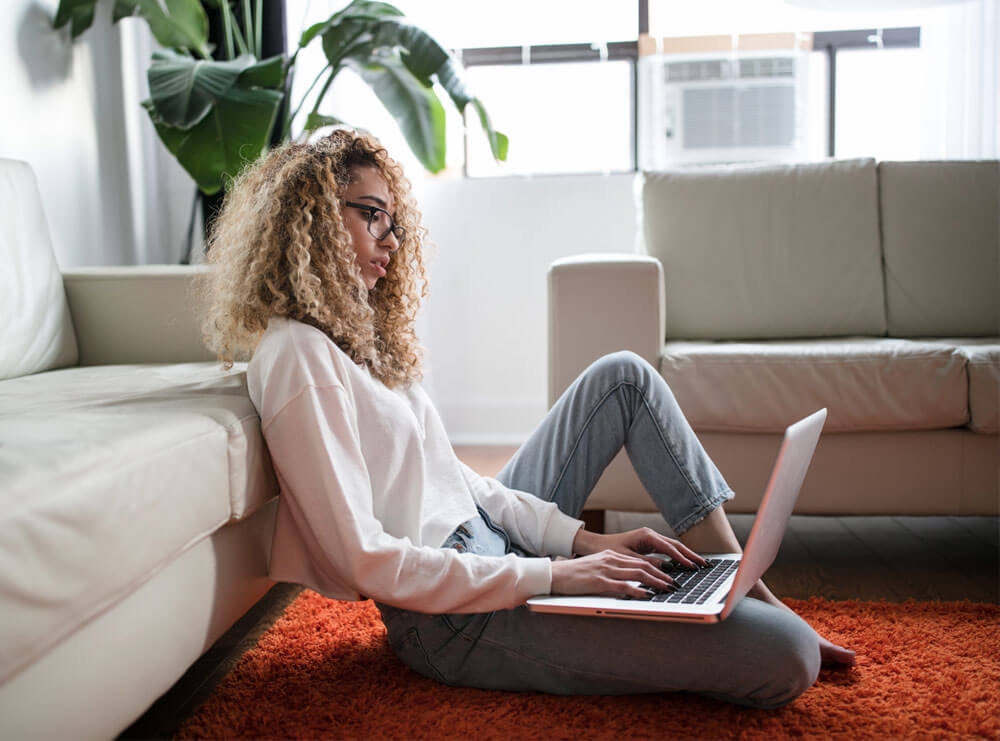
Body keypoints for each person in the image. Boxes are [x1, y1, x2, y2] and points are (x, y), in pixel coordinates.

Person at [200, 129, 854, 709]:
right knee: (788, 655)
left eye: (394, 221)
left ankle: (738, 581)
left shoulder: (356, 339)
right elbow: (365, 558)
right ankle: (745, 609)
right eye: (372, 215)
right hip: (451, 619)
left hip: (490, 546)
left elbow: (460, 483)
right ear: (309, 218)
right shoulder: (297, 355)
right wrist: (554, 575)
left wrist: (580, 543)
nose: (391, 241)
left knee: (622, 376)